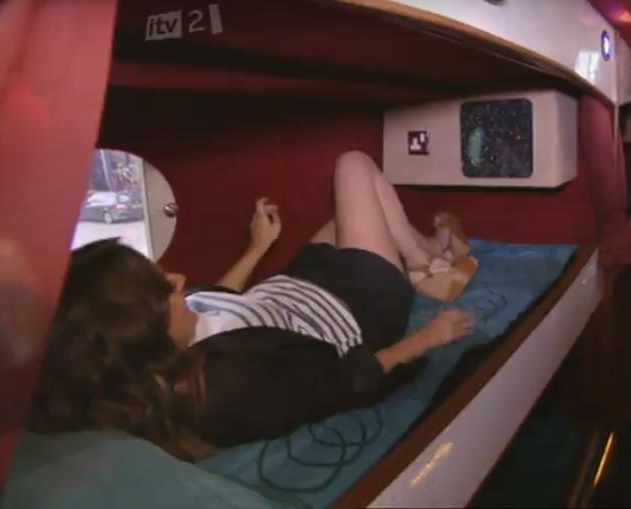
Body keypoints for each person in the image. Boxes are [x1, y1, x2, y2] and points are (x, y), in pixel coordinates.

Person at [27, 151, 476, 459]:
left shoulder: (165, 348)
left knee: (352, 211)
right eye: (165, 292)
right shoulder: (227, 390)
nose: (178, 280)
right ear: (150, 338)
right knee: (354, 167)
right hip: (357, 308)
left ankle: (424, 257)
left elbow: (216, 304)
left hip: (298, 285)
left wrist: (257, 248)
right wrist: (425, 339)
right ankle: (424, 265)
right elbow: (343, 383)